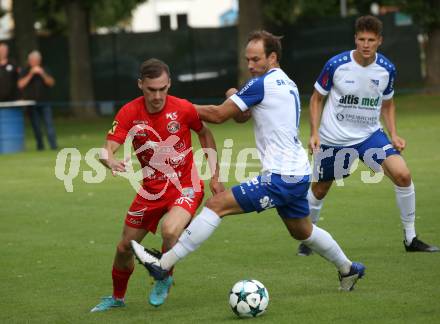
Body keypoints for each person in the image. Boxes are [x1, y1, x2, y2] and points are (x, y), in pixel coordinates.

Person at [131, 30, 365, 293]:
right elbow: (241, 117)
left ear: (272, 57)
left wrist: (177, 106)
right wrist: (237, 94)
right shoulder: (285, 82)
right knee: (302, 231)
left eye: (256, 59)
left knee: (217, 204)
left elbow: (219, 115)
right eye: (247, 60)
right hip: (297, 172)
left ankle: (164, 263)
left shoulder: (261, 85)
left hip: (280, 175)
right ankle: (349, 269)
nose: (250, 65)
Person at [296, 15, 439, 257]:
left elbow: (388, 105)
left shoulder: (386, 69)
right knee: (319, 190)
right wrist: (314, 133)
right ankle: (309, 238)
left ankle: (410, 238)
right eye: (361, 39)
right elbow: (316, 98)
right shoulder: (336, 65)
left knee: (403, 175)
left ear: (379, 41)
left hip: (369, 137)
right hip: (334, 139)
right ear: (355, 39)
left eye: (370, 40)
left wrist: (393, 133)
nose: (365, 44)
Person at [91, 58, 224, 312]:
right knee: (124, 248)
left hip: (186, 185)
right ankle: (117, 298)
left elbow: (205, 132)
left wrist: (215, 176)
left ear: (169, 84)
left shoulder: (183, 108)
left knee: (170, 230)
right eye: (152, 89)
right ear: (141, 85)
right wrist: (110, 161)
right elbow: (107, 148)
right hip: (151, 191)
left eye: (163, 88)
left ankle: (164, 275)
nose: (158, 95)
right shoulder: (129, 112)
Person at [17, 50, 57, 150]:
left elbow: (51, 83)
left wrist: (42, 73)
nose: (34, 62)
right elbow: (20, 85)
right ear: (29, 61)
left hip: (45, 102)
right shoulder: (25, 70)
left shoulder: (45, 69)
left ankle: (53, 145)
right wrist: (31, 74)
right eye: (32, 60)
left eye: (36, 60)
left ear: (39, 61)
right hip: (31, 103)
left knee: (49, 125)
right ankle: (40, 146)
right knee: (36, 127)